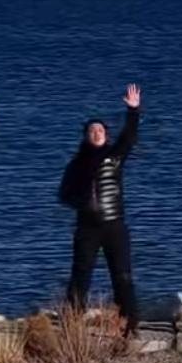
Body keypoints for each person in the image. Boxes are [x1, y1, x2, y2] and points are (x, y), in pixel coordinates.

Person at [57, 85, 142, 327]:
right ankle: (72, 321)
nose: (96, 133)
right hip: (87, 228)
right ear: (86, 135)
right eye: (92, 130)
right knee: (80, 276)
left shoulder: (114, 156)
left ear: (106, 134)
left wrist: (133, 110)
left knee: (122, 276)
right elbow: (63, 194)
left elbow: (129, 137)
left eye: (101, 130)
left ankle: (130, 322)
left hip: (114, 225)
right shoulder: (76, 164)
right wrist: (80, 202)